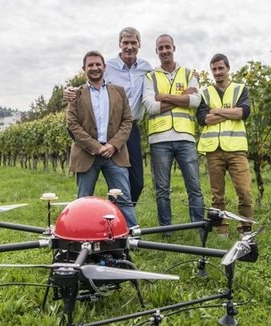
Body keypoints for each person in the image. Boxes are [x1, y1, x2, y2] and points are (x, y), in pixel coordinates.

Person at [65, 27, 152, 206]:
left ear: (139, 44)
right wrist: (70, 91)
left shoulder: (146, 68)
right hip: (103, 130)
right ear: (119, 44)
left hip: (129, 127)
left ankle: (115, 211)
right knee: (108, 183)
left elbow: (160, 82)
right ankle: (110, 214)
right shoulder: (108, 66)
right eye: (125, 43)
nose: (129, 46)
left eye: (133, 42)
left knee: (136, 182)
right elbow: (92, 84)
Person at [66, 50, 138, 228]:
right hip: (87, 154)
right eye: (90, 65)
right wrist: (97, 147)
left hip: (115, 153)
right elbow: (72, 125)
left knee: (124, 198)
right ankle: (81, 234)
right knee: (83, 200)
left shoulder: (119, 92)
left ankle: (130, 236)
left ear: (104, 67)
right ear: (84, 69)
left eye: (98, 64)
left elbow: (127, 121)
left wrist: (113, 145)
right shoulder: (76, 94)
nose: (95, 68)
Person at [142, 34, 204, 231]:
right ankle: (165, 228)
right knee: (162, 189)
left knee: (194, 186)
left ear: (174, 48)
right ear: (156, 51)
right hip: (159, 139)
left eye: (167, 47)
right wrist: (181, 98)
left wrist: (165, 97)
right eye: (160, 48)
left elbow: (195, 101)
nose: (164, 51)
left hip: (185, 137)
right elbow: (150, 107)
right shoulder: (150, 77)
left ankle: (197, 225)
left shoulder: (188, 73)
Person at [196, 53, 253, 236]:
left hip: (236, 149)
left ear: (228, 68)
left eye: (221, 68)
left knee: (244, 192)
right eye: (214, 69)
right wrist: (229, 111)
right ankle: (221, 230)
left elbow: (242, 113)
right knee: (216, 195)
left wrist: (217, 111)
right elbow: (203, 119)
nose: (218, 72)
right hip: (214, 150)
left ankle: (245, 230)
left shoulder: (240, 89)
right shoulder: (205, 93)